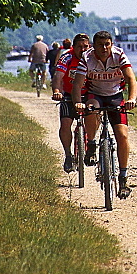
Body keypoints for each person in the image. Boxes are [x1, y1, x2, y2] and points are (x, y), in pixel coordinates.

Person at [72, 30, 137, 199]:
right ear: (94, 46)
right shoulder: (87, 58)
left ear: (112, 44)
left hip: (115, 96)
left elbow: (131, 79)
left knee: (122, 136)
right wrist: (78, 103)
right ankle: (92, 144)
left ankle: (123, 178)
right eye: (100, 45)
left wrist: (131, 98)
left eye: (107, 44)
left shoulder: (119, 55)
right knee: (90, 109)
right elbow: (78, 85)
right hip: (96, 94)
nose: (104, 48)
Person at [52, 33, 90, 172]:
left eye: (86, 46)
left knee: (93, 120)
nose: (83, 50)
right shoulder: (67, 57)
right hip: (68, 96)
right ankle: (68, 155)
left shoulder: (92, 57)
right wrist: (57, 91)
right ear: (73, 47)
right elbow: (58, 76)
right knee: (65, 123)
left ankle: (90, 145)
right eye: (79, 47)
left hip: (88, 94)